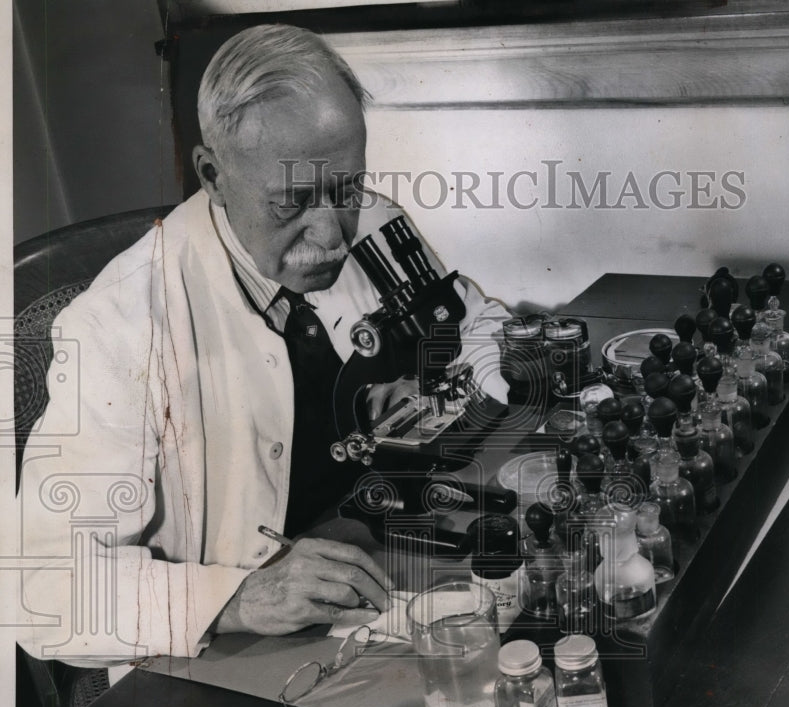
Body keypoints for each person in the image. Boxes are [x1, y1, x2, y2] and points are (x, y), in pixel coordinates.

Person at [16, 24, 510, 667]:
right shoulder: (120, 325)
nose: (333, 233)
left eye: (347, 189)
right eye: (292, 203)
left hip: (395, 564)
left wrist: (441, 397)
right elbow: (40, 588)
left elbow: (480, 325)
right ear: (212, 174)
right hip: (236, 652)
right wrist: (239, 596)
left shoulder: (375, 224)